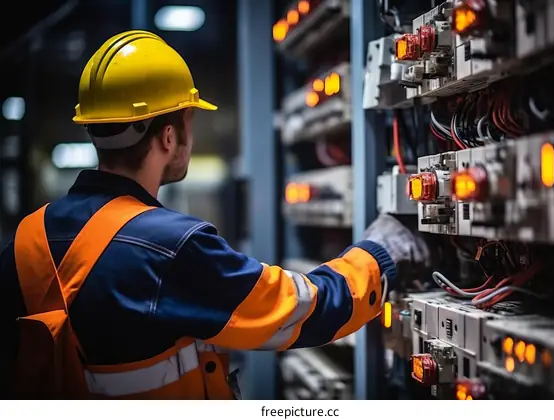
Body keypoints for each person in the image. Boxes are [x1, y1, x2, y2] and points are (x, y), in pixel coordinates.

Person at [0, 30, 428, 399]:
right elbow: (297, 310)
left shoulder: (27, 240)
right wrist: (378, 255)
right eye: (189, 120)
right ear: (169, 135)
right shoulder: (168, 246)